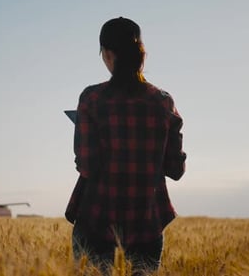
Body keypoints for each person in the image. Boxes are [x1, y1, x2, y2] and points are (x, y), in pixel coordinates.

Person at [65, 17, 186, 275]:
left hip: (97, 224)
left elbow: (87, 166)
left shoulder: (91, 99)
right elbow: (176, 169)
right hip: (146, 227)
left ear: (108, 54)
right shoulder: (164, 103)